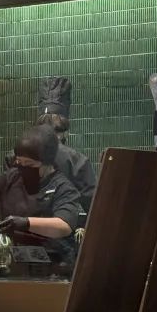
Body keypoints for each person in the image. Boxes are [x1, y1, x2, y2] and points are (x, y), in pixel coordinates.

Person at [0, 125, 81, 266]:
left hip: (51, 263)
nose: (23, 167)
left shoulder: (63, 187)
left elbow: (64, 226)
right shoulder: (13, 176)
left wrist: (26, 223)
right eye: (19, 162)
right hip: (11, 259)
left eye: (29, 164)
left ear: (47, 163)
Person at [36, 76, 97, 219]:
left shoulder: (15, 156)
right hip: (60, 228)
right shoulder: (76, 160)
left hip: (22, 228)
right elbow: (94, 207)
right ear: (64, 129)